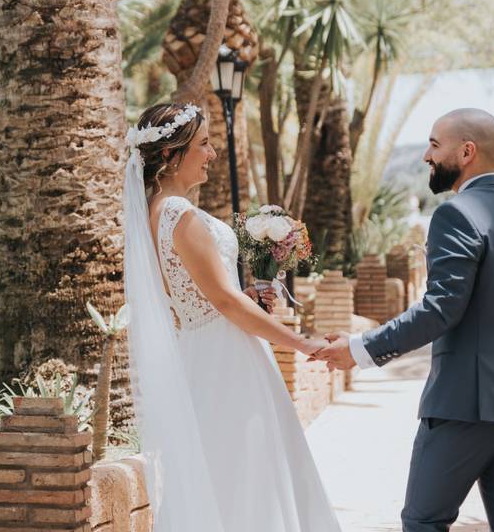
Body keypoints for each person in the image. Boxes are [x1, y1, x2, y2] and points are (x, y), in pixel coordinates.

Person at [313, 108, 494, 531]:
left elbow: (441, 308)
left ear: (467, 151)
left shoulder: (456, 215)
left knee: (423, 522)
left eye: (434, 144)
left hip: (467, 406)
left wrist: (359, 350)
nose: (426, 156)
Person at [122, 102, 341, 532]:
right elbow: (222, 302)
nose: (212, 154)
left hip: (203, 354)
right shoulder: (176, 213)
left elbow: (205, 296)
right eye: (203, 145)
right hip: (228, 362)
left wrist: (251, 291)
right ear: (170, 155)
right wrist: (302, 343)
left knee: (227, 472)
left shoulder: (154, 214)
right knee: (248, 477)